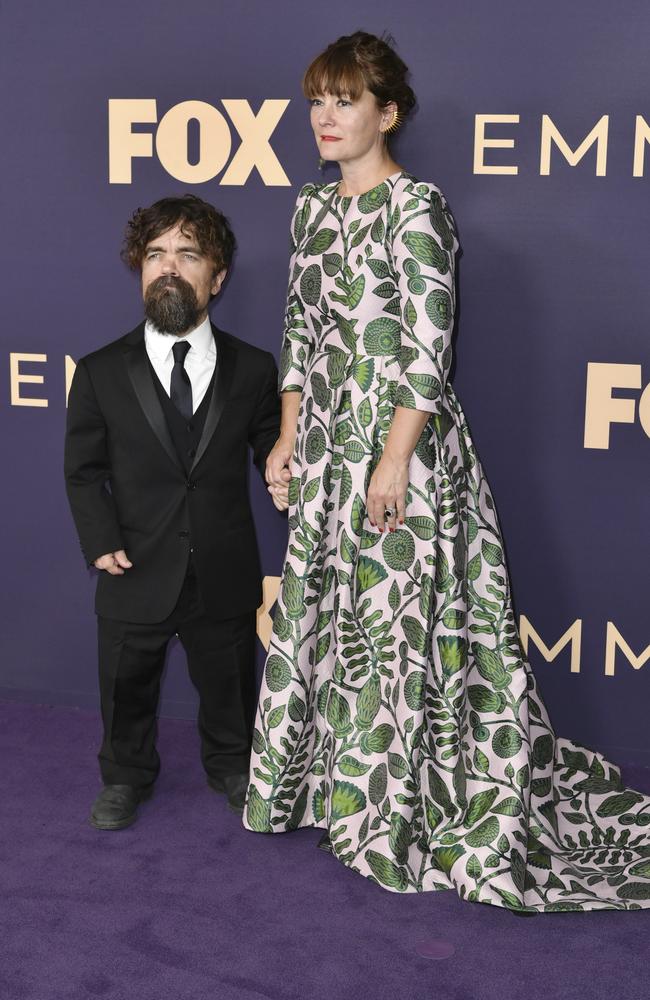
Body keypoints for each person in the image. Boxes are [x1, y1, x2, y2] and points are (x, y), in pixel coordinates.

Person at [244, 31, 650, 913]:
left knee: (397, 629)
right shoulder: (312, 211)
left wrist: (393, 462)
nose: (324, 116)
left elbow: (427, 349)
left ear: (386, 114)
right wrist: (288, 438)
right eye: (317, 99)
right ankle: (337, 792)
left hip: (404, 449)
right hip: (328, 447)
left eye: (345, 100)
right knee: (340, 617)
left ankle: (396, 815)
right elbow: (300, 336)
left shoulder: (417, 209)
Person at [65, 195, 284, 830]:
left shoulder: (252, 368)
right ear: (139, 268)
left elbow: (272, 444)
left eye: (187, 255)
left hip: (221, 560)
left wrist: (283, 471)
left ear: (216, 278)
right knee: (125, 685)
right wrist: (99, 538)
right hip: (134, 561)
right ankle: (125, 775)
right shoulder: (102, 371)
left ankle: (233, 765)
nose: (168, 267)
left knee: (230, 682)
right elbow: (83, 469)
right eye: (155, 254)